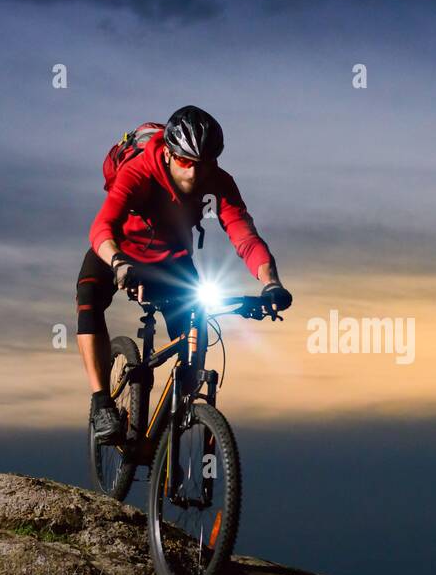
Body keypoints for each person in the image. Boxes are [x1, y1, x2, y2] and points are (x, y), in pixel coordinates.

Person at [76, 105, 292, 440]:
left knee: (196, 329)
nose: (193, 174)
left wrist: (271, 284)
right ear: (169, 155)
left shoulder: (219, 183)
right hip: (120, 252)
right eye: (185, 162)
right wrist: (117, 262)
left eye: (202, 165)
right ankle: (101, 402)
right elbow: (102, 227)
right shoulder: (138, 171)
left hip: (172, 261)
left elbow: (244, 236)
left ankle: (181, 417)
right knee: (89, 297)